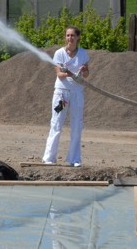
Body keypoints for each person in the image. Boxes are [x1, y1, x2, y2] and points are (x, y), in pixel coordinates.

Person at [42, 26, 90, 167]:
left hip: (76, 94)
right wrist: (71, 73)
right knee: (57, 122)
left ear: (78, 37)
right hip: (62, 95)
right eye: (68, 35)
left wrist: (84, 70)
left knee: (76, 125)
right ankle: (49, 158)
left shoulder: (82, 54)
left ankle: (74, 159)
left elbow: (86, 74)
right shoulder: (59, 53)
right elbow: (60, 74)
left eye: (73, 36)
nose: (70, 38)